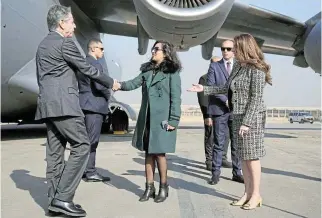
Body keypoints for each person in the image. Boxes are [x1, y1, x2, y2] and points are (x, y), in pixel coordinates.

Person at [35, 5, 119, 217]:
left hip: (48, 105)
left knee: (55, 155)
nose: (74, 24)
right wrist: (111, 82)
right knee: (82, 145)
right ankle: (63, 198)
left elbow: (41, 77)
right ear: (62, 23)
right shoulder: (65, 44)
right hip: (65, 105)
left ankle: (54, 202)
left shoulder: (43, 45)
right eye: (71, 21)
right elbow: (87, 68)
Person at [187, 33, 272, 210]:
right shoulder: (239, 67)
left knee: (252, 158)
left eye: (235, 48)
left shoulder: (256, 69)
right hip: (237, 114)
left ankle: (256, 195)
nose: (232, 51)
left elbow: (256, 98)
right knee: (242, 158)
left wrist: (247, 122)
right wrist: (205, 88)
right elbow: (226, 88)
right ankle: (247, 193)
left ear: (243, 48)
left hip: (252, 117)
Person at [114, 40, 182, 203]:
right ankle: (149, 187)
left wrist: (174, 119)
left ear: (165, 53)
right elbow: (132, 83)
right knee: (148, 153)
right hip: (147, 118)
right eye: (153, 49)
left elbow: (176, 98)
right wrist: (118, 85)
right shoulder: (147, 71)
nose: (153, 51)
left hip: (162, 119)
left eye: (156, 49)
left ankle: (163, 187)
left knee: (159, 153)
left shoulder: (172, 73)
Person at [206, 40, 244, 185]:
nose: (226, 51)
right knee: (218, 143)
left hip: (236, 111)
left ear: (234, 50)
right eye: (223, 49)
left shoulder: (240, 67)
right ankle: (215, 173)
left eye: (229, 49)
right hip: (219, 110)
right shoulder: (214, 66)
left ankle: (237, 172)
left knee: (236, 143)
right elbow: (210, 86)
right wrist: (226, 99)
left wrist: (235, 101)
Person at [78, 39, 111, 182]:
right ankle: (90, 171)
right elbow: (100, 86)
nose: (103, 51)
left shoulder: (83, 62)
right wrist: (109, 93)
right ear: (93, 49)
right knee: (92, 141)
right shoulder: (95, 64)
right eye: (101, 49)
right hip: (95, 106)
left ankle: (85, 170)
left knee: (85, 140)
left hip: (84, 105)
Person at [197, 74, 213, 171]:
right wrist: (207, 115)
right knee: (210, 137)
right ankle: (209, 160)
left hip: (223, 113)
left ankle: (221, 158)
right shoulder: (204, 78)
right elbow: (203, 98)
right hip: (210, 113)